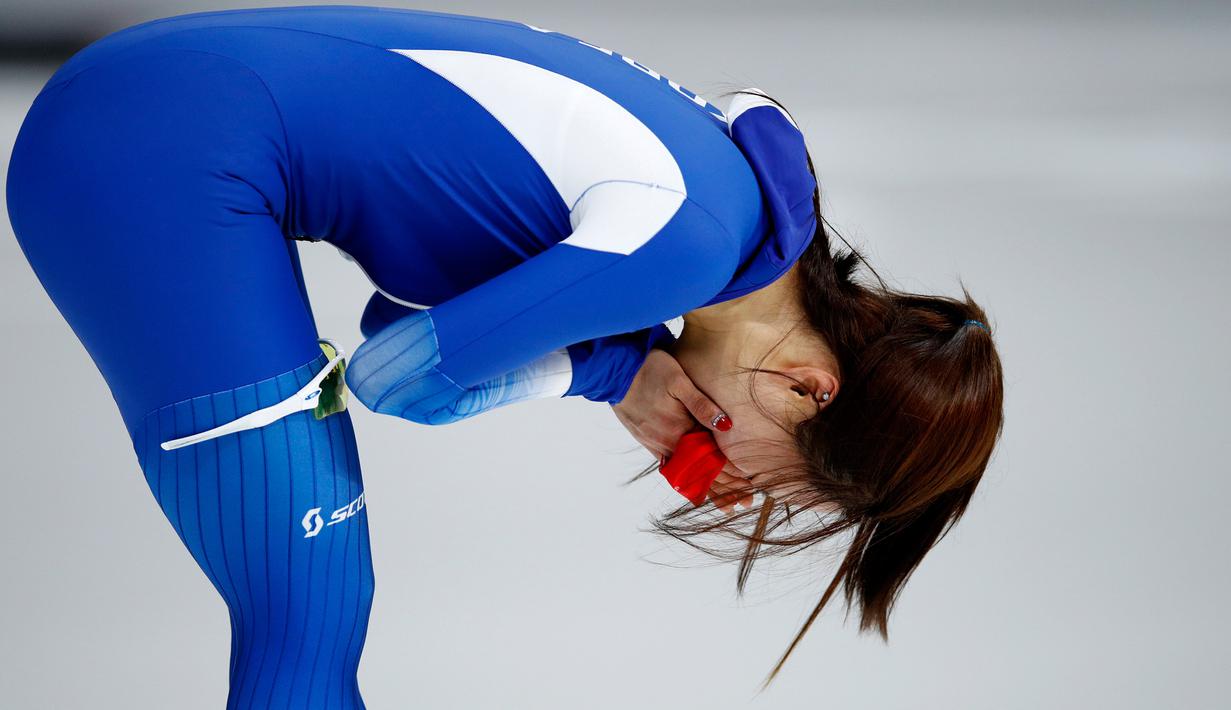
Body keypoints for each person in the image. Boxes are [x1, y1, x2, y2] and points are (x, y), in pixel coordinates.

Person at [5, 5, 1004, 707]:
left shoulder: (737, 217)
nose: (725, 473)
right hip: (157, 153)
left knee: (312, 610)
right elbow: (392, 380)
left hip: (157, 108)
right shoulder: (685, 247)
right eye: (777, 482)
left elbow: (402, 325)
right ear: (806, 385)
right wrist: (609, 373)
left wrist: (627, 364)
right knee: (305, 615)